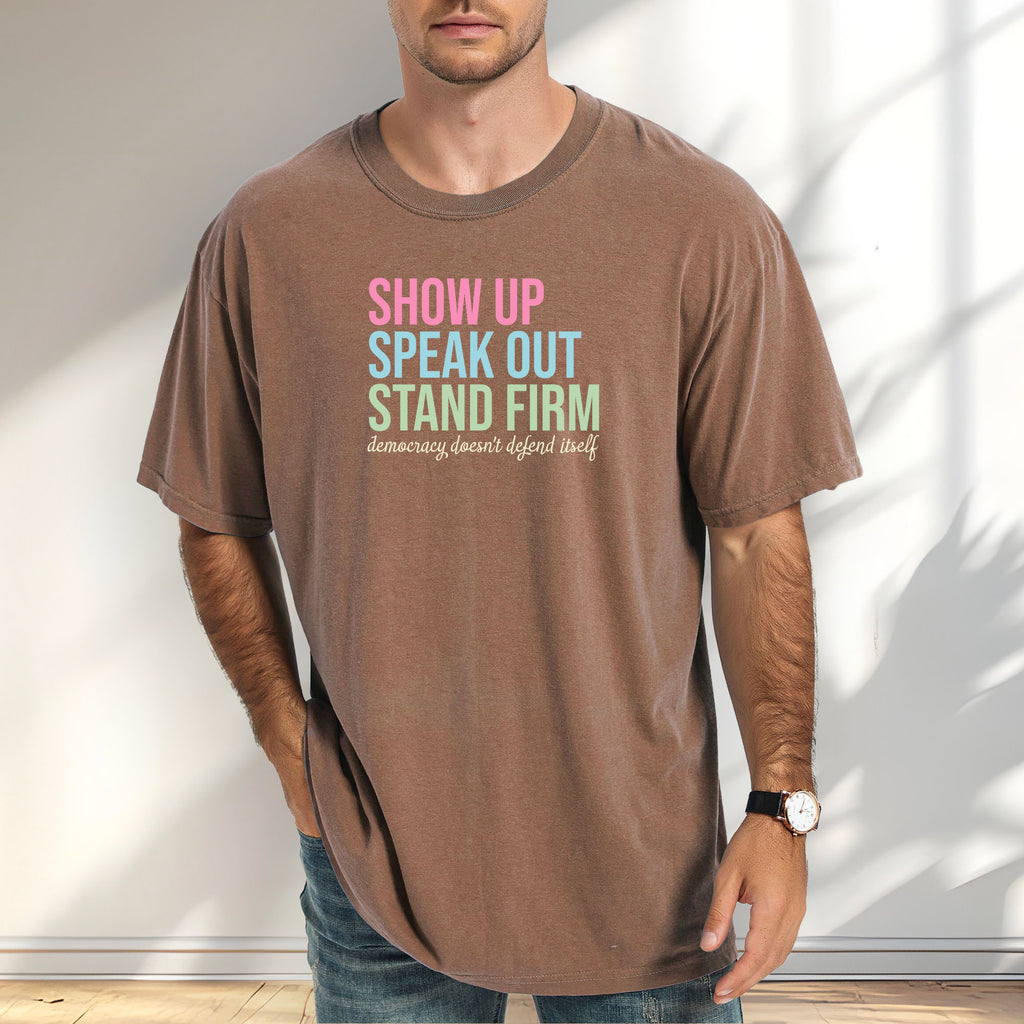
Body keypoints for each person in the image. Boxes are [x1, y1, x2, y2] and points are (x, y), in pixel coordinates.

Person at [136, 2, 863, 1021]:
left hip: (643, 871)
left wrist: (779, 804)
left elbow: (753, 532)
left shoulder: (698, 217)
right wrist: (286, 740)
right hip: (372, 861)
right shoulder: (269, 233)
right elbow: (212, 508)